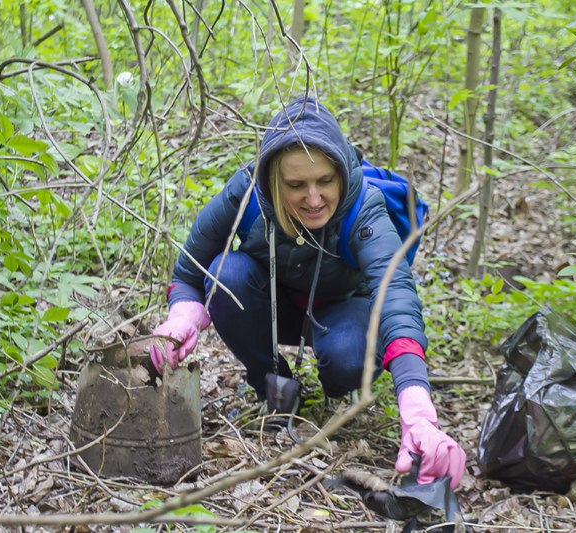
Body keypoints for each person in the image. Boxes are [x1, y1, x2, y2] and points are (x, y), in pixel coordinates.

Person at [149, 97, 466, 488]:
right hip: (271, 305)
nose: (314, 200)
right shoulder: (247, 195)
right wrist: (182, 316)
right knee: (222, 273)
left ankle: (336, 386)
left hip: (342, 312)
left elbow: (396, 295)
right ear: (272, 180)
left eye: (325, 182)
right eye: (296, 185)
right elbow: (189, 272)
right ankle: (273, 382)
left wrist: (417, 407)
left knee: (347, 353)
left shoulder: (363, 207)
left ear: (340, 175)